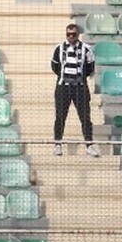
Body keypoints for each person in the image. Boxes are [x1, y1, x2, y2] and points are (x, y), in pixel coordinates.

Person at [50, 23, 99, 157]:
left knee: (85, 118)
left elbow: (90, 67)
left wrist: (80, 78)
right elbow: (55, 67)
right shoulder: (59, 49)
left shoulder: (86, 49)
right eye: (69, 34)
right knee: (60, 117)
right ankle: (57, 144)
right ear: (66, 35)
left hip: (80, 87)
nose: (71, 37)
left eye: (74, 34)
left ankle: (89, 145)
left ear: (78, 35)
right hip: (63, 87)